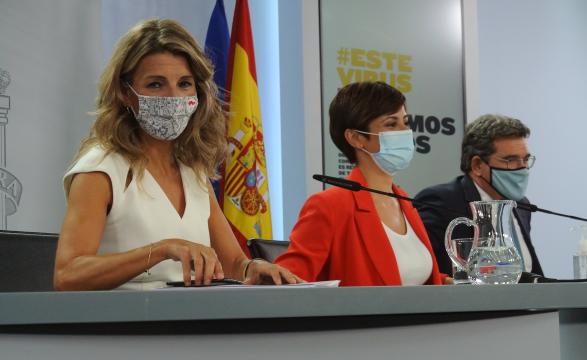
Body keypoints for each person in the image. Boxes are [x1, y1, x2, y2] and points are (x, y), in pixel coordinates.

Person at [53, 19, 301, 291]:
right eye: (156, 84)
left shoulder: (193, 172)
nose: (173, 96)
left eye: (184, 84)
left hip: (189, 325)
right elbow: (68, 275)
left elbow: (232, 262)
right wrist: (160, 251)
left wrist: (254, 268)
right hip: (124, 329)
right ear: (126, 93)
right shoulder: (99, 169)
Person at [276, 81, 451, 286]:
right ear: (356, 138)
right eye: (391, 124)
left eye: (406, 122)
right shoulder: (329, 205)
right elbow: (288, 281)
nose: (405, 132)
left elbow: (406, 274)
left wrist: (452, 282)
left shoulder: (403, 201)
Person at [414, 114, 544, 276]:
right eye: (511, 160)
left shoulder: (522, 205)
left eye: (525, 159)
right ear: (477, 165)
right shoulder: (441, 202)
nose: (522, 168)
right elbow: (422, 271)